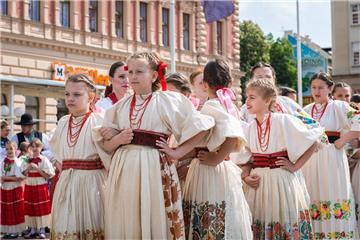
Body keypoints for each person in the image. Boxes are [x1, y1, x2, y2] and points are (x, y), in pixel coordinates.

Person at [96, 52, 214, 239]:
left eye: (139, 72)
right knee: (129, 217)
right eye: (130, 71)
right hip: (124, 169)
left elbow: (202, 126)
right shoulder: (121, 106)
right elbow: (106, 146)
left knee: (154, 215)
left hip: (154, 169)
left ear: (154, 75)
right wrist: (116, 138)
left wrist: (177, 152)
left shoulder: (167, 101)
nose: (133, 76)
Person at [163, 58, 253, 239]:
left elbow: (232, 133)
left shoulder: (213, 105)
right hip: (215, 167)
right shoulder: (226, 105)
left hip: (209, 169)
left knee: (208, 210)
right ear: (229, 82)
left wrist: (216, 157)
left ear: (205, 84)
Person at [242, 78, 322, 239]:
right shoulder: (248, 128)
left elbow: (314, 141)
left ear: (267, 100)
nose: (247, 101)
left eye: (252, 97)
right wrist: (245, 177)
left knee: (284, 221)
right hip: (258, 185)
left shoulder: (283, 121)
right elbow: (245, 160)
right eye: (246, 97)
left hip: (281, 182)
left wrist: (294, 166)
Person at [50, 74, 112, 239]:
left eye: (77, 94)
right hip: (67, 184)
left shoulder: (99, 120)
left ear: (91, 97)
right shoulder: (63, 122)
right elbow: (57, 154)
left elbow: (110, 154)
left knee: (90, 225)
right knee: (66, 226)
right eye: (67, 94)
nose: (70, 99)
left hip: (92, 184)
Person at [302, 72, 359, 238]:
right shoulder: (305, 110)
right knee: (312, 195)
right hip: (310, 160)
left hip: (332, 159)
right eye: (313, 87)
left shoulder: (338, 107)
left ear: (330, 88)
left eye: (321, 87)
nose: (316, 91)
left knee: (333, 193)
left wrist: (343, 140)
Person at [21, 138, 54, 239]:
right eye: (32, 146)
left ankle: (42, 229)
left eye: (37, 146)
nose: (34, 148)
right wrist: (28, 168)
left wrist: (37, 169)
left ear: (41, 147)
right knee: (30, 206)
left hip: (40, 184)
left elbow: (49, 176)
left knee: (41, 207)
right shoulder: (27, 158)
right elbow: (22, 173)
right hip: (29, 184)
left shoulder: (44, 159)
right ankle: (33, 228)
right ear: (30, 148)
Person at [1, 141, 25, 239]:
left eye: (11, 148)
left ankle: (15, 231)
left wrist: (6, 178)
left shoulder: (17, 162)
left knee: (15, 208)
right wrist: (4, 178)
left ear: (16, 149)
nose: (9, 151)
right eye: (7, 149)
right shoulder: (3, 161)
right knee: (7, 209)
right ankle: (8, 230)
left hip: (15, 188)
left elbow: (20, 177)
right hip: (6, 188)